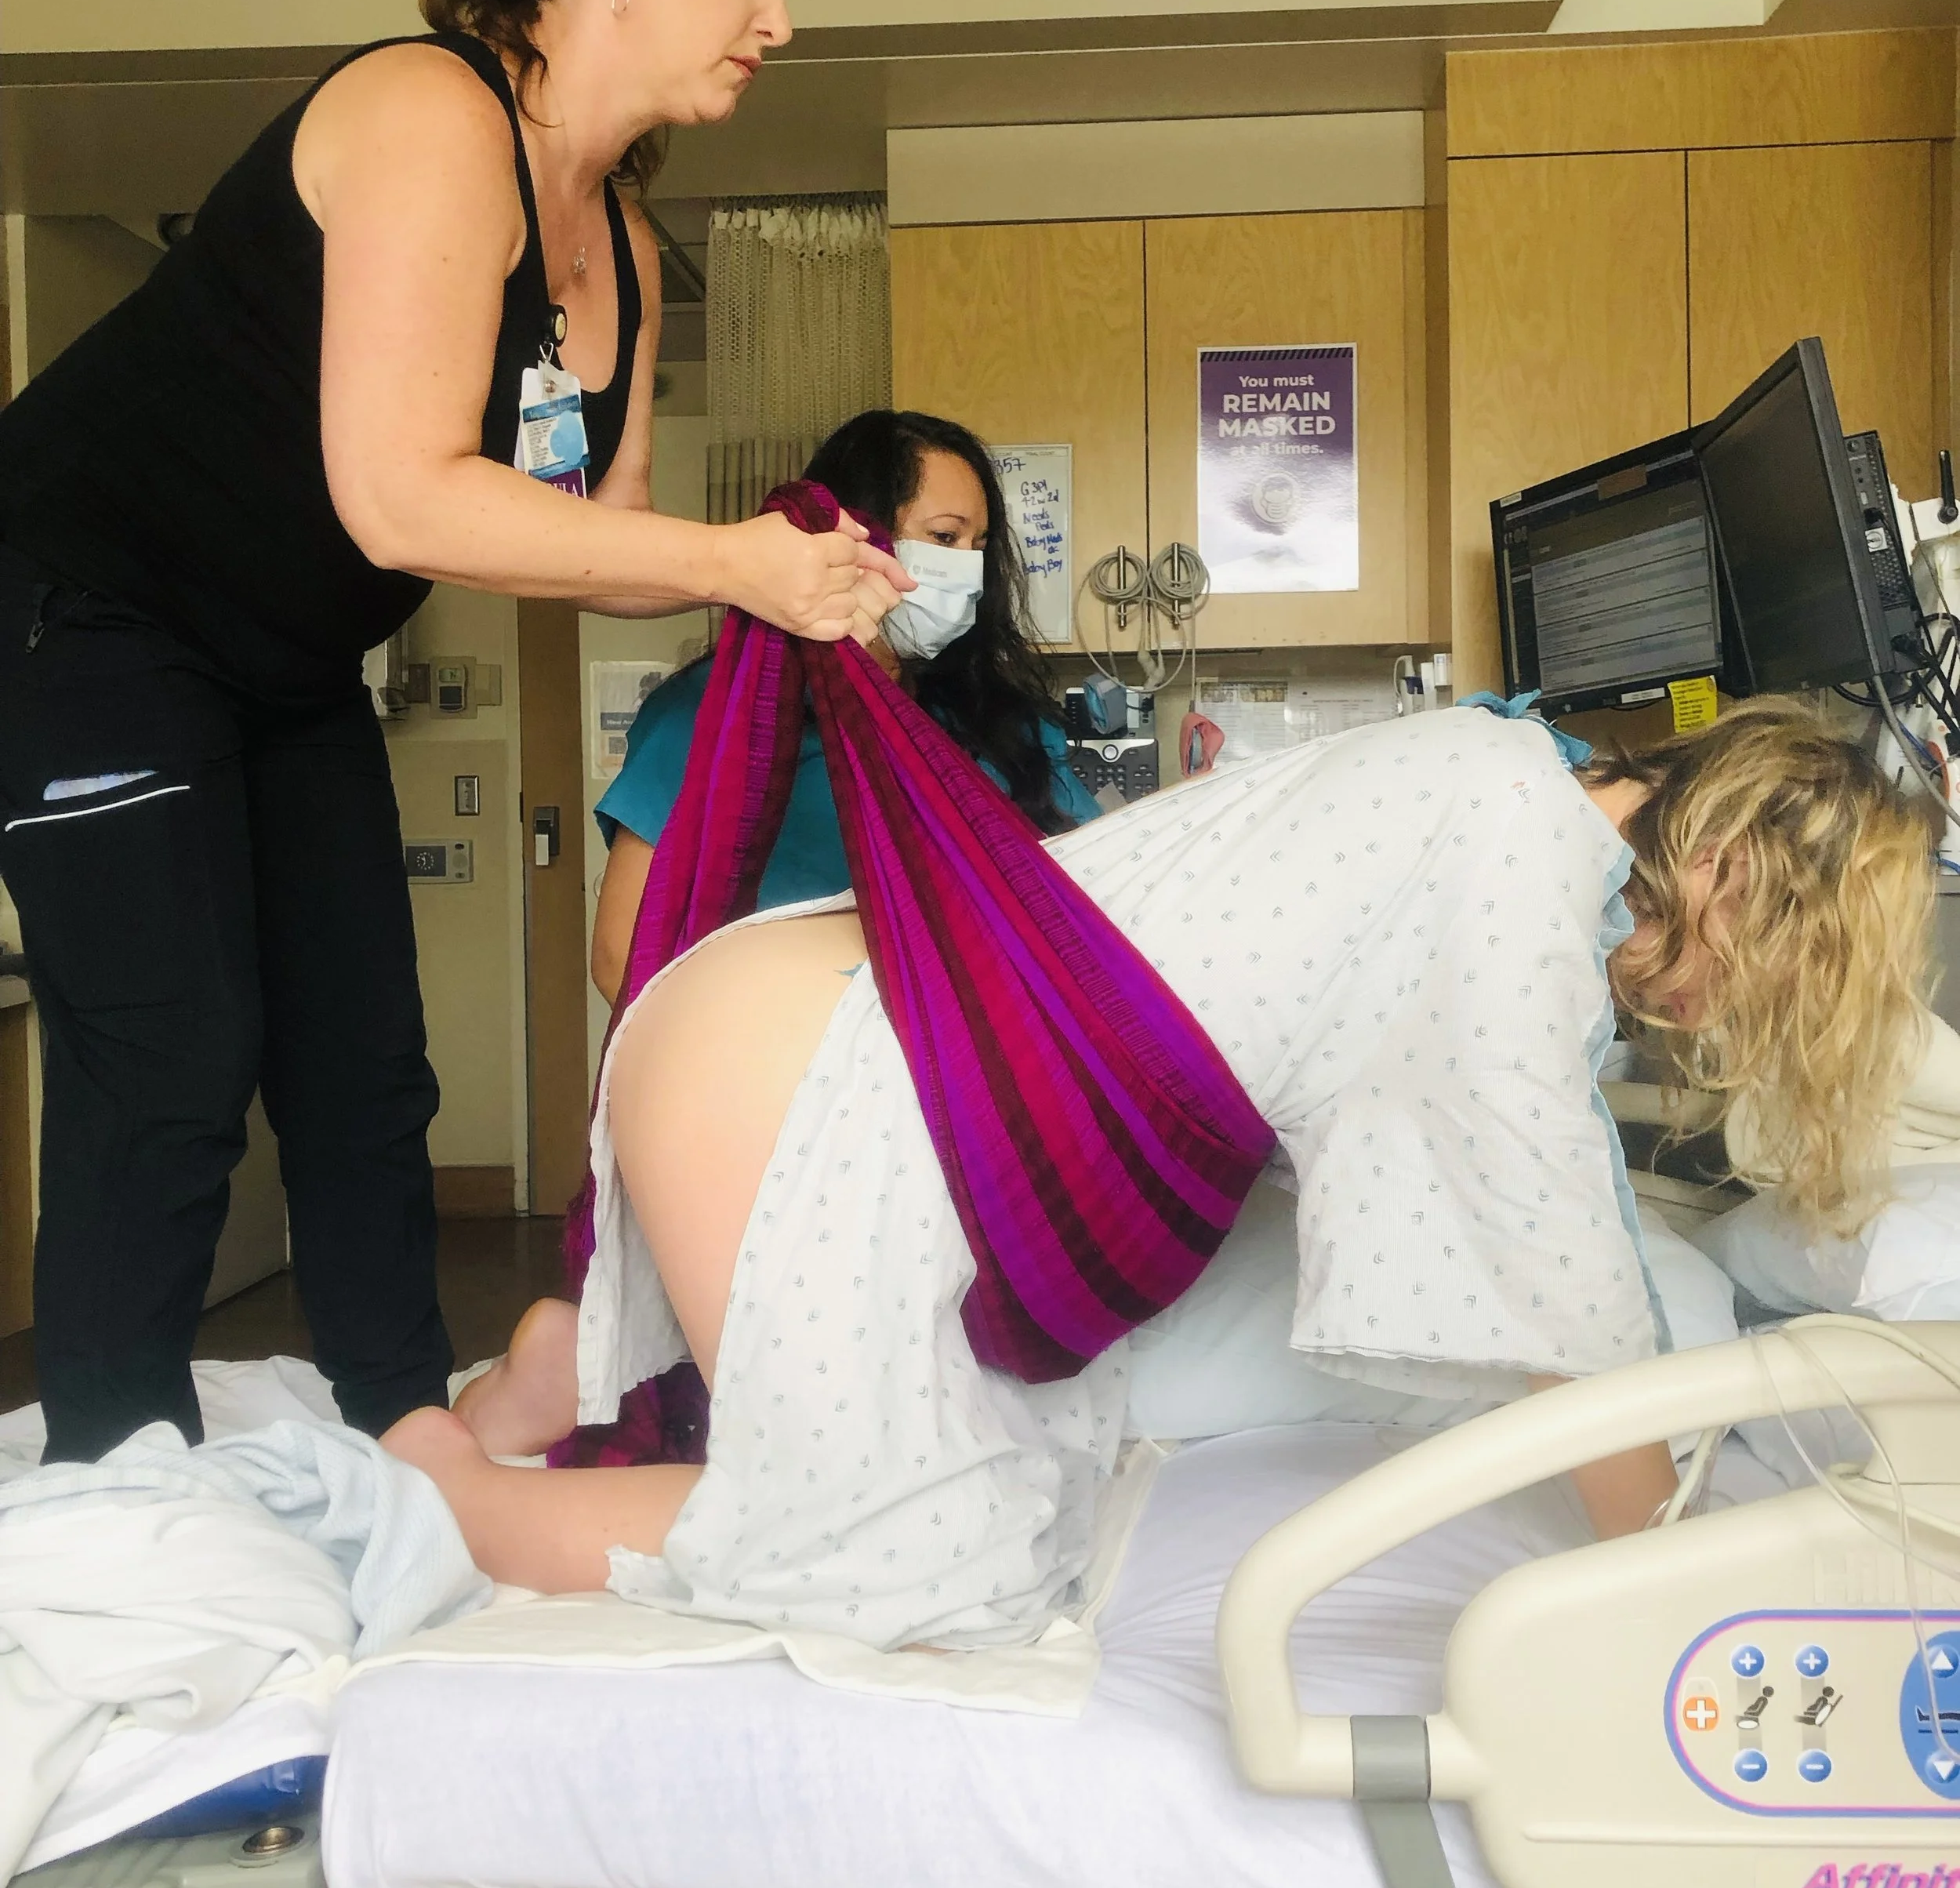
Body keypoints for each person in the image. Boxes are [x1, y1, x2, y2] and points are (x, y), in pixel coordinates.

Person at [0, 0, 905, 1462]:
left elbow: (591, 542)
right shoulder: (431, 116)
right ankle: (107, 1487)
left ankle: (401, 1433)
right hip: (84, 607)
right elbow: (401, 497)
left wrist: (794, 561)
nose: (778, 18)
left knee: (364, 1069)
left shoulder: (623, 249)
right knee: (175, 1060)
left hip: (277, 653)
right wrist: (729, 563)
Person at [389, 699, 1936, 1641]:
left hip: (807, 1039)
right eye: (1769, 971)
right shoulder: (1516, 889)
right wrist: (1669, 1577)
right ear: (1725, 866)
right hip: (814, 1076)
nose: (1725, 1013)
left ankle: (551, 1377)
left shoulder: (1501, 783)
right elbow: (1565, 1297)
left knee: (1031, 1461)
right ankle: (443, 1491)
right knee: (909, 1564)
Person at [590, 407, 1098, 1003]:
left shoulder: (1001, 719)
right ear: (856, 536)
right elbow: (620, 956)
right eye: (943, 537)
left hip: (986, 1061)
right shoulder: (706, 718)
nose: (967, 568)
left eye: (978, 544)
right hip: (789, 1070)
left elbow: (1100, 877)